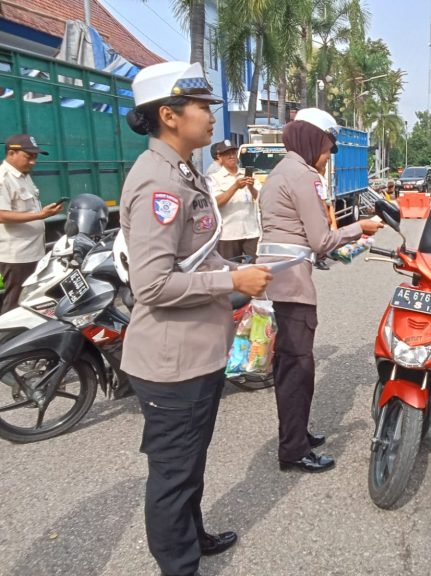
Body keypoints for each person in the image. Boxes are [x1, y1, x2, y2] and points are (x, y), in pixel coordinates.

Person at [119, 61, 272, 576]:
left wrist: (237, 270)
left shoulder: (182, 171)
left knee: (190, 463)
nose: (211, 116)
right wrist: (231, 283)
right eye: (202, 106)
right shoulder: (158, 185)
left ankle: (193, 535)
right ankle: (178, 565)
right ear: (168, 115)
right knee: (172, 474)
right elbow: (153, 285)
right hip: (170, 362)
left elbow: (198, 256)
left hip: (196, 356)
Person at [257, 107, 383, 473]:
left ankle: (295, 433)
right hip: (292, 284)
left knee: (289, 366)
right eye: (327, 148)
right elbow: (322, 239)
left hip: (277, 279)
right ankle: (293, 449)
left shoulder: (281, 170)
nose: (327, 157)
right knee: (298, 369)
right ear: (313, 140)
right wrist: (360, 227)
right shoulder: (304, 176)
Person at [0, 134, 63, 314]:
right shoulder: (4, 178)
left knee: (30, 301)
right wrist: (40, 215)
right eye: (29, 157)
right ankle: (8, 340)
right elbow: (1, 215)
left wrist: (43, 213)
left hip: (33, 252)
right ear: (12, 153)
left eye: (35, 157)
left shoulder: (23, 176)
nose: (33, 162)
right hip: (17, 256)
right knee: (15, 305)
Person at [209, 140, 261, 260]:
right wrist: (235, 187)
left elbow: (261, 199)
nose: (231, 156)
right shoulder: (213, 178)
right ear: (219, 156)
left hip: (251, 231)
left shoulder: (247, 174)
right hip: (228, 234)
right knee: (229, 271)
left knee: (256, 268)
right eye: (227, 153)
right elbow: (215, 203)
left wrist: (251, 187)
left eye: (233, 152)